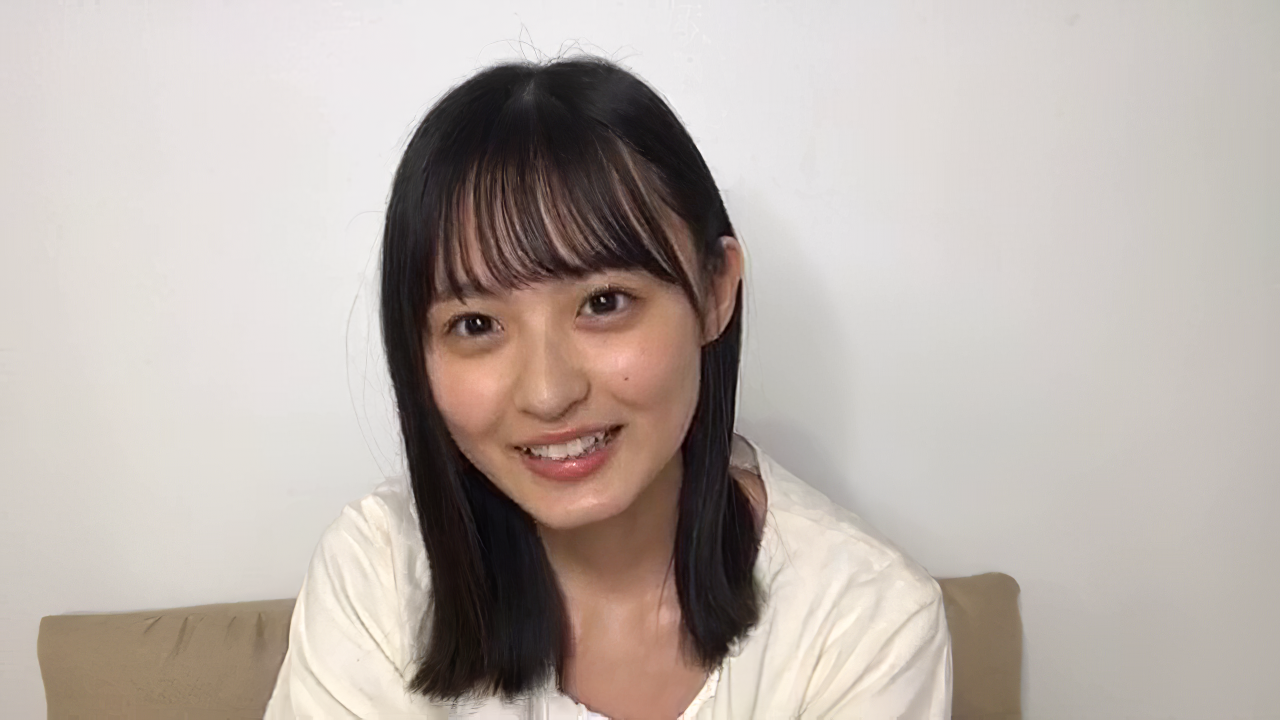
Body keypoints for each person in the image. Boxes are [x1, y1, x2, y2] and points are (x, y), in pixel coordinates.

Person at [264, 56, 950, 720]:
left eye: (603, 302)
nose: (547, 393)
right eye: (475, 324)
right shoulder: (381, 574)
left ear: (715, 291)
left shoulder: (865, 627)